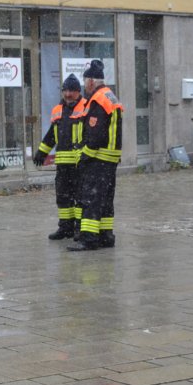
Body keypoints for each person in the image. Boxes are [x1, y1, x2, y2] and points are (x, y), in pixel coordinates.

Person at [68, 59, 123, 251]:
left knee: (91, 199)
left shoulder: (98, 100)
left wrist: (85, 156)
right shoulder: (110, 96)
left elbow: (96, 135)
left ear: (91, 81)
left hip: (98, 159)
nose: (85, 85)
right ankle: (106, 236)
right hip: (110, 158)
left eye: (85, 81)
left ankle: (89, 239)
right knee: (105, 200)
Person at [33, 73, 86, 240]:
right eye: (65, 91)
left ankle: (79, 228)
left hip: (79, 163)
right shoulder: (58, 110)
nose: (68, 94)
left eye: (71, 91)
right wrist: (42, 152)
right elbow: (52, 135)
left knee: (79, 198)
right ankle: (65, 227)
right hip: (63, 165)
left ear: (78, 92)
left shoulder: (86, 107)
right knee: (63, 197)